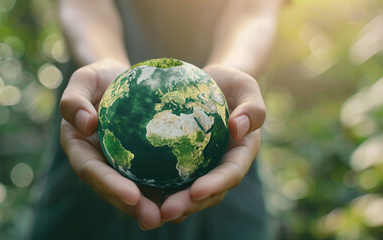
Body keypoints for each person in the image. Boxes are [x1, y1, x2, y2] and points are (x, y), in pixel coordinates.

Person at [30, 0, 285, 239]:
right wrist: (106, 64)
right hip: (96, 129)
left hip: (222, 136)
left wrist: (233, 71)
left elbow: (253, 10)